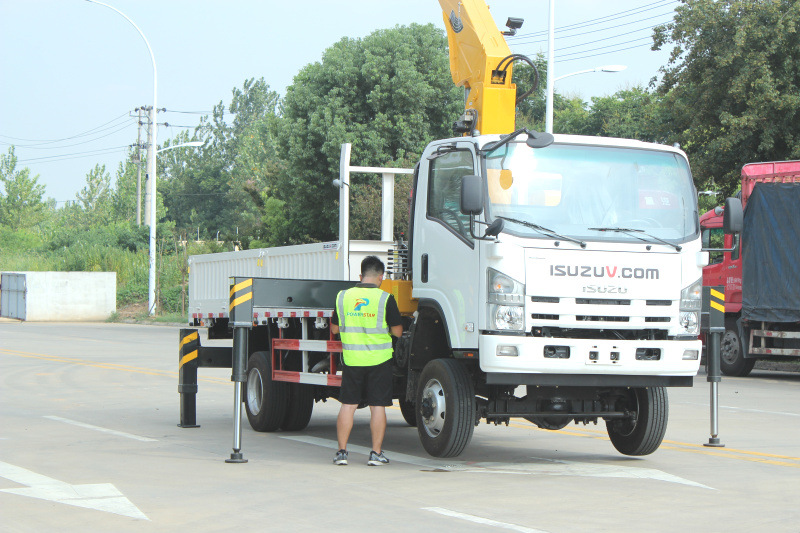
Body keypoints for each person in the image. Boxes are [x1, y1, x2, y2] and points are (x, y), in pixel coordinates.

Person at [330, 255, 403, 466]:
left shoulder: (342, 296)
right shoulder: (385, 298)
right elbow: (398, 332)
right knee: (377, 406)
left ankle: (342, 453)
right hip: (379, 360)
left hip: (352, 359)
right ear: (381, 277)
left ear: (360, 276)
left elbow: (334, 328)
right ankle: (376, 453)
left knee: (348, 405)